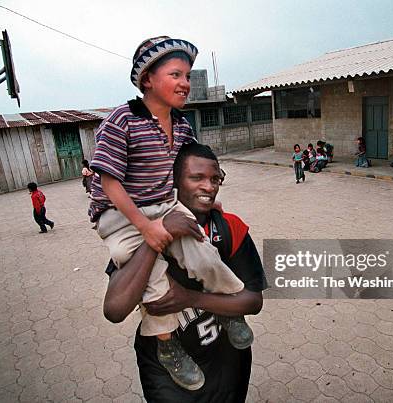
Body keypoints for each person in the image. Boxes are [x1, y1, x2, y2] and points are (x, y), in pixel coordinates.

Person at [89, 36, 251, 390]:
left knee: (203, 251)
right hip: (121, 212)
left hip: (166, 202)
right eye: (175, 74)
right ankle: (166, 346)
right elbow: (110, 183)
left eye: (188, 76)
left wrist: (204, 202)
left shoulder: (181, 125)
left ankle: (230, 309)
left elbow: (185, 172)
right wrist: (146, 227)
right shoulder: (122, 120)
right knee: (150, 274)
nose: (184, 83)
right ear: (147, 78)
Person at [103, 142, 267, 402]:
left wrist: (191, 299)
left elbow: (253, 301)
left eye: (215, 179)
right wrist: (158, 235)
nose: (209, 186)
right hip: (165, 373)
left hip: (227, 361)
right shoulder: (140, 232)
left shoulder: (229, 228)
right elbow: (114, 309)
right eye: (196, 178)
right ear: (173, 181)